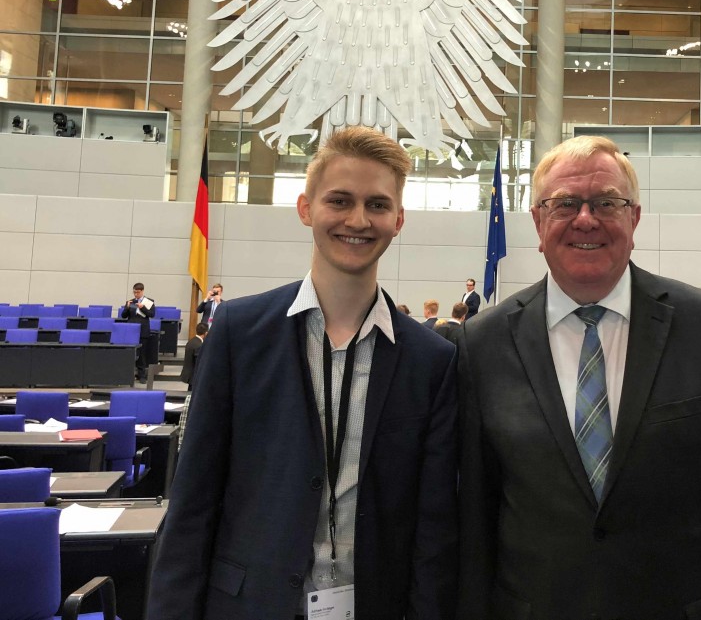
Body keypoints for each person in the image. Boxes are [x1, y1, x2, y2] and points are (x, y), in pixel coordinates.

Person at [457, 135, 701, 620]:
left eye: (606, 202)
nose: (586, 219)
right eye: (565, 204)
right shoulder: (482, 344)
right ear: (538, 221)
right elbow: (475, 518)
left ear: (634, 218)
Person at [148, 128, 458, 620]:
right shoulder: (238, 333)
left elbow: (434, 529)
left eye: (377, 205)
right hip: (249, 605)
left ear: (398, 220)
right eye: (340, 200)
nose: (358, 220)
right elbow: (193, 500)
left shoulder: (432, 360)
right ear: (305, 208)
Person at [119, 282, 155, 383]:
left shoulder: (149, 302)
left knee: (142, 354)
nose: (136, 295)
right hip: (131, 330)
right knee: (130, 352)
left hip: (143, 330)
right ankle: (128, 374)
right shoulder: (130, 301)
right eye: (134, 292)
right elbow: (123, 316)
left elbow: (152, 314)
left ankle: (142, 375)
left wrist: (142, 308)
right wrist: (126, 307)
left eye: (138, 292)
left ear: (142, 291)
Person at [179, 321, 208, 390]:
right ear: (206, 333)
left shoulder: (191, 341)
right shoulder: (199, 345)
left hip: (189, 374)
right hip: (194, 376)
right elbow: (199, 362)